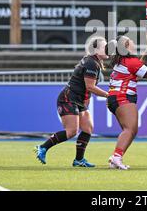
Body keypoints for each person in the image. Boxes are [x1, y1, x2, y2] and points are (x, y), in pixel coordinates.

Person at [34, 37, 109, 167]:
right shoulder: (92, 63)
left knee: (87, 128)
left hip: (77, 100)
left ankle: (79, 160)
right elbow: (90, 86)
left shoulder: (94, 62)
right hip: (68, 99)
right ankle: (42, 147)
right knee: (71, 131)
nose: (108, 49)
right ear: (96, 50)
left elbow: (86, 87)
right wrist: (108, 95)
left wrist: (87, 100)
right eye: (105, 47)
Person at [106, 36, 147, 170]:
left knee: (131, 130)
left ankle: (116, 158)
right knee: (129, 129)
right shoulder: (130, 61)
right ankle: (116, 157)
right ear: (127, 45)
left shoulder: (123, 60)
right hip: (122, 97)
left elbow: (136, 68)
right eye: (131, 42)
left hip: (116, 97)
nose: (134, 43)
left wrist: (146, 53)